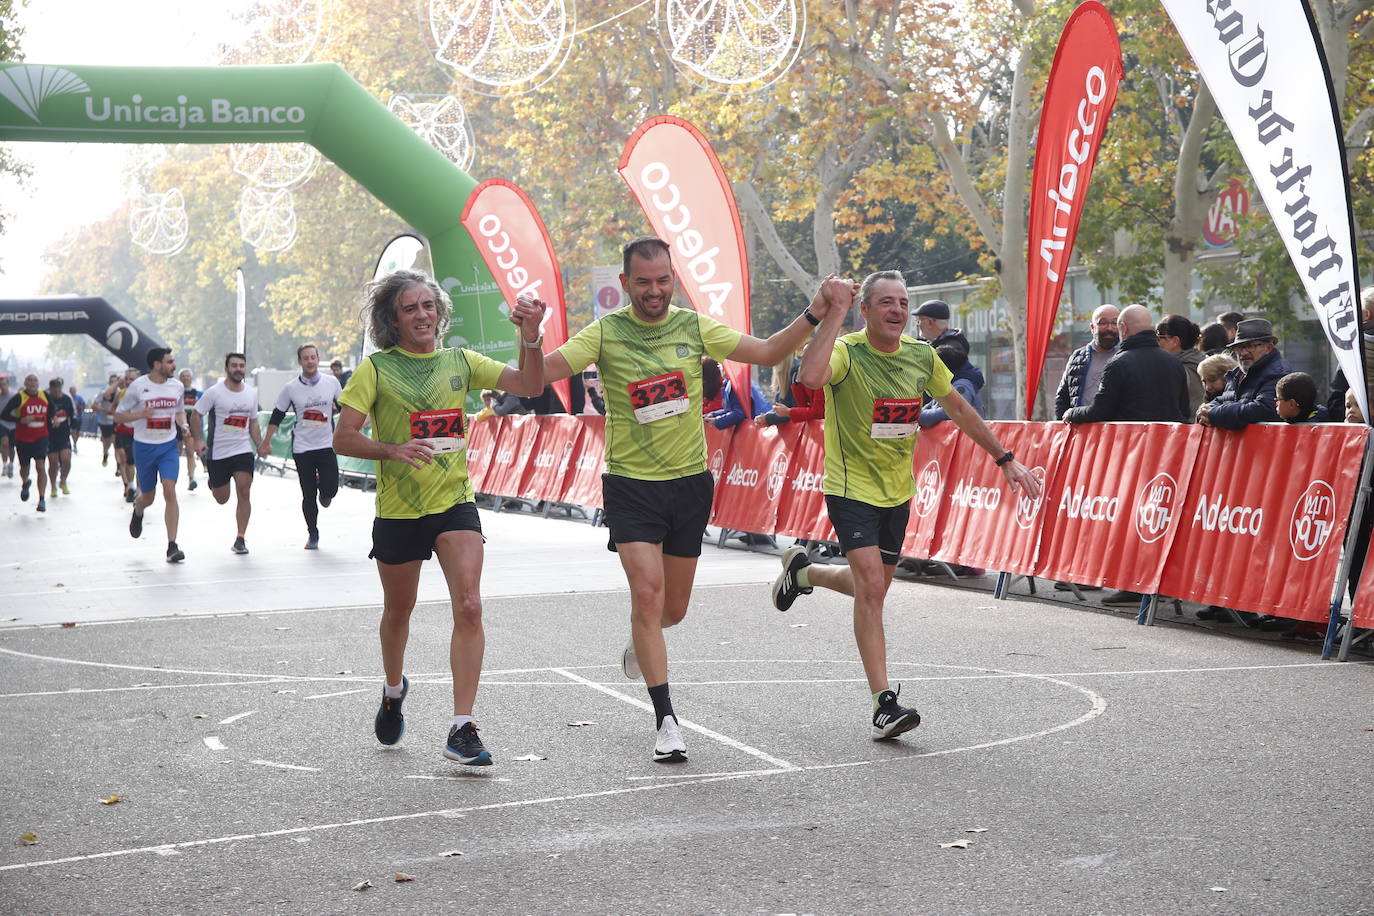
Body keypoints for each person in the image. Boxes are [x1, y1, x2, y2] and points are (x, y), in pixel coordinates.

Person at [539, 236, 841, 763]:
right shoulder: (606, 333)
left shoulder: (692, 327)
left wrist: (814, 313)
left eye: (662, 280)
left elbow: (769, 351)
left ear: (672, 279)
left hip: (688, 484)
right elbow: (539, 373)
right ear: (625, 284)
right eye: (643, 282)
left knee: (671, 610)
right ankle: (667, 721)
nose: (654, 291)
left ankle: (642, 640)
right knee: (649, 595)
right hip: (631, 486)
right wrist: (527, 335)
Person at [772, 271, 1041, 740]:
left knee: (870, 587)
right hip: (851, 488)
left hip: (898, 491)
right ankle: (883, 705)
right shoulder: (847, 351)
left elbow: (958, 408)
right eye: (886, 303)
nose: (897, 311)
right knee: (873, 588)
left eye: (903, 303)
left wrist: (1006, 459)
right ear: (867, 311)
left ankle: (805, 573)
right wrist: (832, 313)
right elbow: (810, 378)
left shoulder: (921, 356)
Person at [334, 268, 546, 767]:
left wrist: (529, 336)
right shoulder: (377, 370)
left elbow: (530, 384)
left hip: (454, 503)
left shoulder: (460, 361)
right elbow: (343, 438)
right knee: (398, 611)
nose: (423, 315)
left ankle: (461, 727)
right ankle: (392, 689)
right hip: (400, 510)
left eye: (428, 305)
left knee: (470, 606)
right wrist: (391, 449)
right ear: (393, 319)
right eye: (410, 308)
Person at [259, 343, 343, 550]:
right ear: (300, 362)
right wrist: (266, 442)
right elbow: (277, 416)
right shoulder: (291, 388)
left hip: (326, 444)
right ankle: (313, 533)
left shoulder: (331, 383)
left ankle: (325, 491)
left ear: (318, 358)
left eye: (313, 357)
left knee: (330, 489)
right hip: (303, 448)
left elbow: (346, 408)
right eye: (305, 358)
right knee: (308, 494)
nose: (310, 361)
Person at [115, 348, 188, 562]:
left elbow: (179, 410)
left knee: (170, 490)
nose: (174, 365)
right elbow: (119, 415)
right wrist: (142, 414)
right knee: (148, 497)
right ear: (157, 365)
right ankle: (138, 510)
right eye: (170, 362)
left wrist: (183, 424)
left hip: (168, 446)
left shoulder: (177, 386)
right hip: (144, 447)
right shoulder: (139, 386)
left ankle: (172, 546)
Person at [1062, 305, 1190, 425]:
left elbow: (1100, 411)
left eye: (1116, 325)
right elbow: (1184, 411)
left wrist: (1072, 413)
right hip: (1167, 443)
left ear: (1123, 327)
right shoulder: (1174, 362)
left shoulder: (1117, 364)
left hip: (1129, 443)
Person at [191, 353, 262, 555]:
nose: (238, 369)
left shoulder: (251, 393)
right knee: (222, 498)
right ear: (226, 369)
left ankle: (240, 538)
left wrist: (259, 444)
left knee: (245, 490)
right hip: (218, 452)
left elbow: (254, 422)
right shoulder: (214, 392)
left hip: (242, 450)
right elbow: (196, 414)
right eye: (234, 365)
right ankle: (214, 483)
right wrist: (198, 440)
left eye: (241, 365)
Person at [1197, 318, 1292, 429]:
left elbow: (1265, 409)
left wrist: (1215, 414)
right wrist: (1206, 410)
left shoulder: (1278, 373)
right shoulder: (1238, 373)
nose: (1243, 353)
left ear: (1268, 348)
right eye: (1239, 347)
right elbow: (1224, 399)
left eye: (1250, 346)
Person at [1054, 304, 1120, 418]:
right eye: (1103, 323)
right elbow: (1062, 398)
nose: (1109, 328)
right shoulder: (1078, 357)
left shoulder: (1125, 356)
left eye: (1114, 323)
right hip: (1081, 431)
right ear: (1092, 328)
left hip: (1116, 432)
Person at [1, 374, 50, 511]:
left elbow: (52, 412)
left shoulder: (44, 396)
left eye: (35, 380)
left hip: (41, 436)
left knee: (40, 466)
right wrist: (20, 420)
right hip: (23, 438)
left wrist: (54, 420)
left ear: (38, 383)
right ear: (25, 383)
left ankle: (41, 500)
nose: (33, 383)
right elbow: (4, 414)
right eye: (29, 380)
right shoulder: (19, 397)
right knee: (24, 469)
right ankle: (25, 482)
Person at [919, 344, 985, 425]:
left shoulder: (962, 386)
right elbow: (931, 405)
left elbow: (951, 412)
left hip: (964, 436)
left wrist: (918, 417)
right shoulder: (948, 384)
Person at [1155, 314, 1206, 416]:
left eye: (1159, 337)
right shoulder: (1202, 361)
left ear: (1175, 341)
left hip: (1188, 428)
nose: (1156, 342)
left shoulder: (1179, 368)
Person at [113, 367, 141, 503]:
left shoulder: (145, 393)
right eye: (127, 379)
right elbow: (113, 408)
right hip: (125, 431)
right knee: (130, 460)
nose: (129, 382)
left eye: (132, 379)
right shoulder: (122, 393)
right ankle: (130, 488)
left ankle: (140, 491)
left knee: (141, 462)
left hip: (141, 432)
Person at [44, 379, 76, 497]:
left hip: (63, 433)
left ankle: (63, 480)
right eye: (55, 391)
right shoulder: (46, 398)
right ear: (50, 389)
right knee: (53, 463)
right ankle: (53, 485)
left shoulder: (66, 399)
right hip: (50, 434)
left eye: (59, 391)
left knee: (66, 459)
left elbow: (72, 415)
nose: (57, 393)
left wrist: (74, 427)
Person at [706, 373, 771, 429]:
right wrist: (714, 414)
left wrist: (717, 421)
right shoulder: (735, 381)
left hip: (759, 426)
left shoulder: (736, 384)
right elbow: (731, 409)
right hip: (761, 422)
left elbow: (739, 413)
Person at [178, 368, 200, 491]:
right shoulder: (175, 392)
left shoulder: (197, 393)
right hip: (176, 425)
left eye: (188, 376)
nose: (186, 378)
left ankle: (192, 478)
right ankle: (171, 478)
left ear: (191, 378)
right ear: (179, 378)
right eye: (183, 376)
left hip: (190, 425)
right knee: (177, 451)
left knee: (190, 452)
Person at [93, 373, 119, 469]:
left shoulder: (120, 392)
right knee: (107, 441)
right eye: (111, 382)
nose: (113, 385)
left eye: (115, 382)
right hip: (104, 421)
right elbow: (94, 406)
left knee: (116, 442)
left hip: (116, 421)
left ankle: (119, 466)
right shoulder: (103, 392)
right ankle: (105, 453)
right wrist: (104, 410)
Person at [0, 375, 15, 479]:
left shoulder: (14, 396)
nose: (3, 387)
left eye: (4, 384)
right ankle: (4, 464)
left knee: (11, 446)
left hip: (14, 424)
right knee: (4, 443)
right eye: (1, 385)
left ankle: (11, 464)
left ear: (8, 385)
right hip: (3, 423)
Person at [68, 385, 85, 453]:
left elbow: (84, 406)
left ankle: (75, 443)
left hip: (79, 417)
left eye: (74, 391)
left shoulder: (79, 398)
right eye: (71, 391)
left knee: (77, 432)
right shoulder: (68, 398)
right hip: (72, 418)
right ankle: (74, 444)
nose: (73, 393)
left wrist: (79, 406)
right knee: (73, 431)